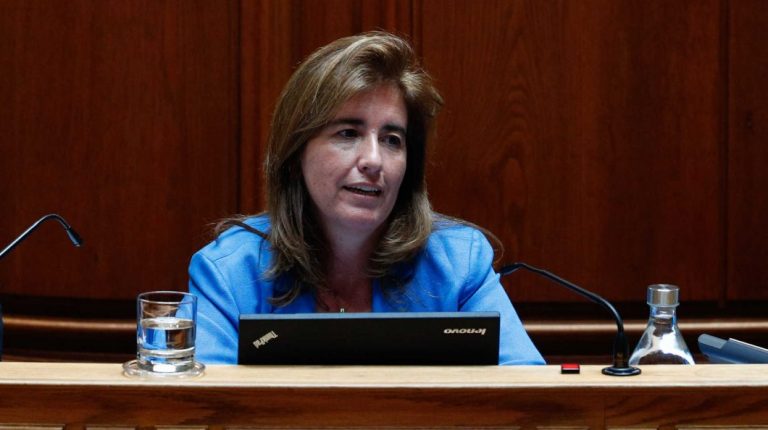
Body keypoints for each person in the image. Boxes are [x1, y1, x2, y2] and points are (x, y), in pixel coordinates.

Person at [188, 31, 544, 365]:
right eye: (348, 133)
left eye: (391, 140)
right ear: (295, 155)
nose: (374, 160)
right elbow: (203, 402)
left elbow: (527, 391)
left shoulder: (458, 264)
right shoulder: (229, 273)